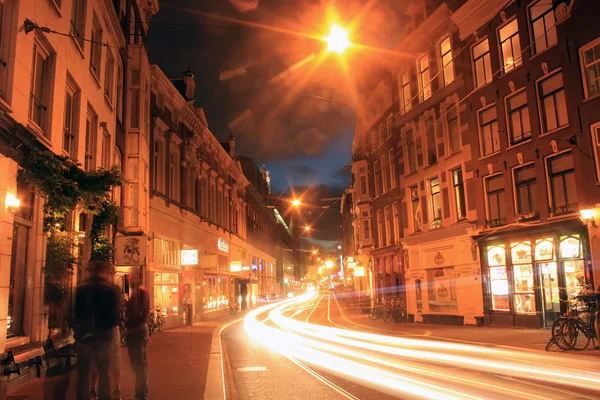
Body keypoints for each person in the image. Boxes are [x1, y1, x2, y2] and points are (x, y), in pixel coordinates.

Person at [74, 260, 122, 400]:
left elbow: (75, 313)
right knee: (103, 371)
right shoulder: (111, 289)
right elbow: (115, 315)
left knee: (83, 373)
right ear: (103, 273)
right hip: (103, 336)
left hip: (83, 337)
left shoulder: (81, 289)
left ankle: (83, 397)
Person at [89, 272, 124, 400]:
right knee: (110, 359)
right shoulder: (113, 290)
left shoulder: (100, 289)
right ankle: (112, 389)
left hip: (103, 329)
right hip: (107, 328)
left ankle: (112, 389)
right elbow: (119, 307)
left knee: (107, 359)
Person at [125, 277, 150, 400]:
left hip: (136, 331)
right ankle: (142, 392)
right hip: (140, 331)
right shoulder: (142, 292)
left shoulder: (139, 292)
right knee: (141, 363)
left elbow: (137, 313)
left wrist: (127, 320)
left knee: (138, 364)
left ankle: (140, 394)